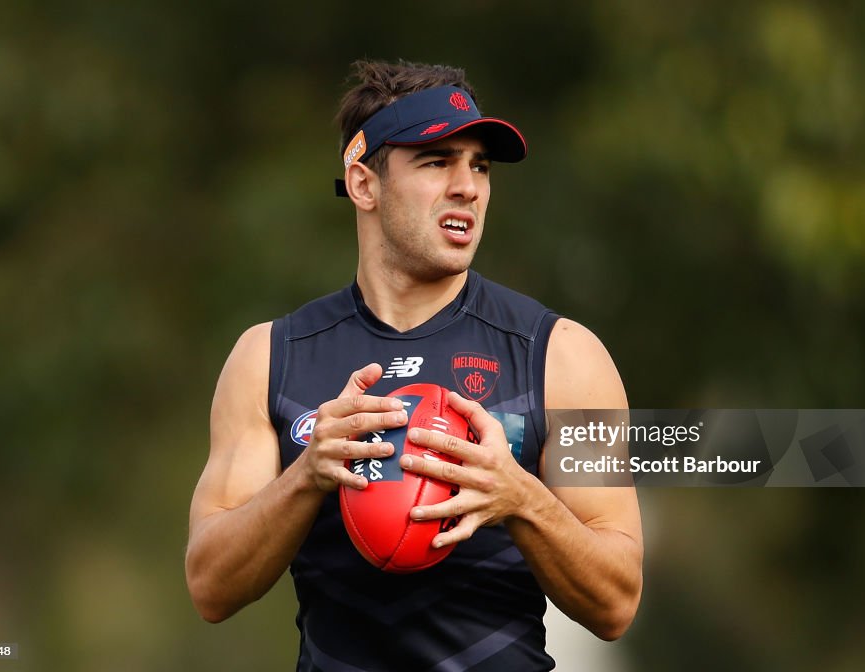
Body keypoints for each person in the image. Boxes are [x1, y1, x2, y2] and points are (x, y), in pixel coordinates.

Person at [185, 59, 643, 671]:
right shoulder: (271, 357)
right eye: (437, 161)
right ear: (363, 184)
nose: (468, 186)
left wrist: (521, 499)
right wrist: (306, 477)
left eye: (479, 165)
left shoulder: (562, 356)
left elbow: (616, 603)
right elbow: (210, 588)